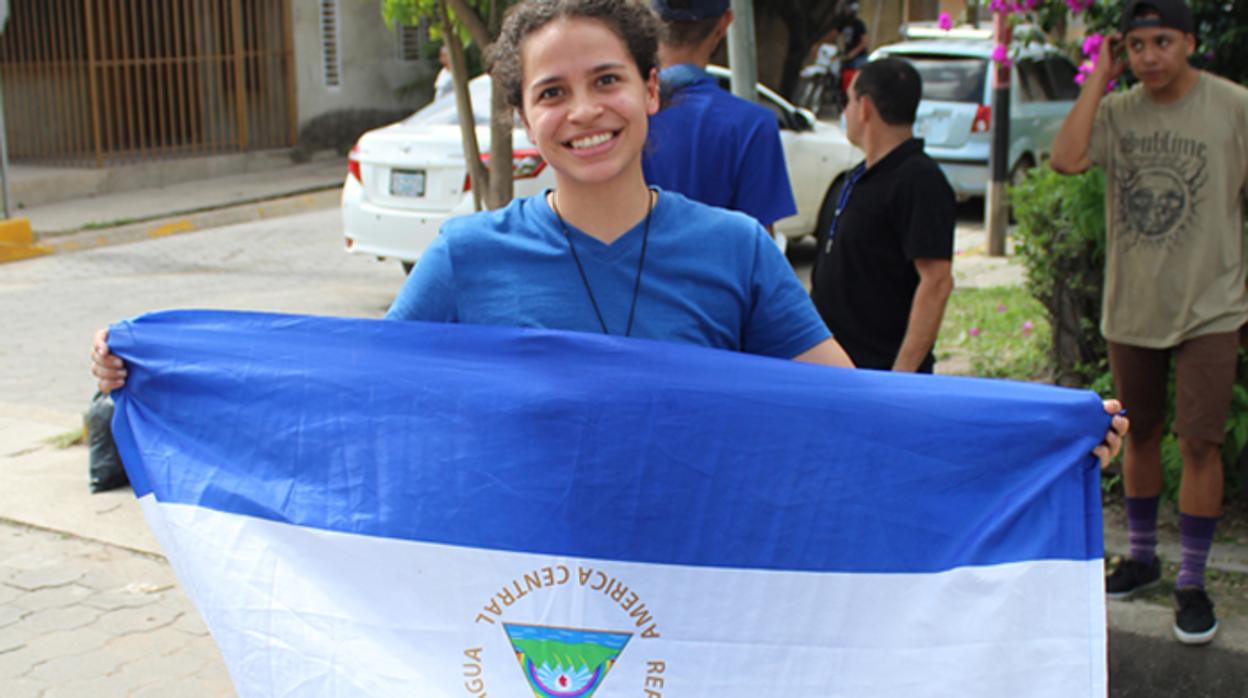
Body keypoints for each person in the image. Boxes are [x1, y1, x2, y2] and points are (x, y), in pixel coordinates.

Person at [91, 2, 1123, 466]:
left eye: (605, 81)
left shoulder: (733, 250)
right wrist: (168, 373)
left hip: (693, 567)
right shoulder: (465, 258)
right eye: (552, 92)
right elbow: (360, 394)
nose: (583, 109)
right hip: (514, 575)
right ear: (525, 119)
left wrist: (1040, 427)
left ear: (650, 93)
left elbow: (847, 406)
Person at [1050, 0, 1248, 646]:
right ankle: (1140, 558)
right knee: (1136, 433)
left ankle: (1191, 581)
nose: (1149, 57)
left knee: (1199, 443)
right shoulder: (1116, 112)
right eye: (1135, 45)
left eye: (1162, 41)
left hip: (1210, 305)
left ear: (1190, 41)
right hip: (1133, 306)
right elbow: (1067, 158)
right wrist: (1099, 77)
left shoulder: (1232, 107)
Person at [809, 57, 956, 374]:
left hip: (880, 372)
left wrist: (901, 373)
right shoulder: (857, 176)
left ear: (864, 108)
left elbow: (937, 281)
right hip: (834, 367)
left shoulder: (920, 179)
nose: (844, 113)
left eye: (847, 101)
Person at [641, 0, 796, 234]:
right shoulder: (752, 126)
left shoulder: (623, 115)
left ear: (650, 20)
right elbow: (760, 246)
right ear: (724, 23)